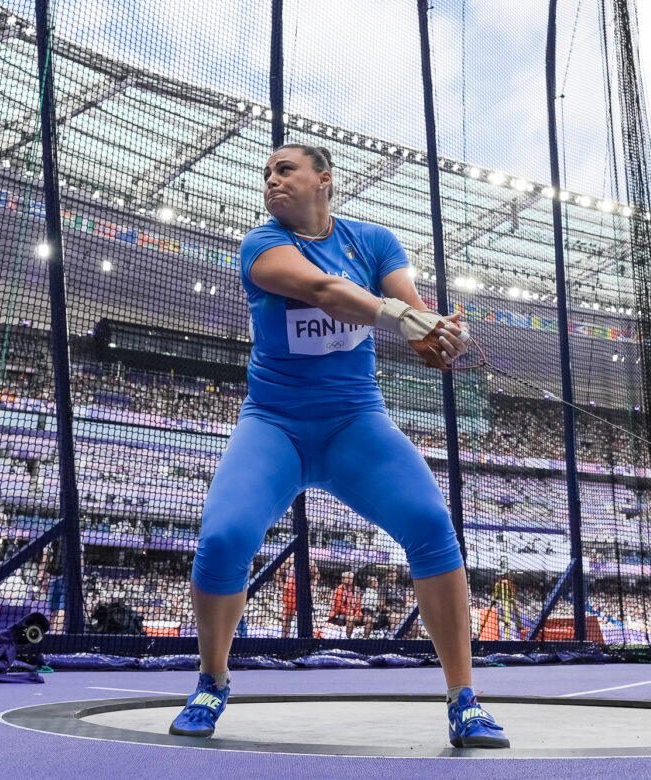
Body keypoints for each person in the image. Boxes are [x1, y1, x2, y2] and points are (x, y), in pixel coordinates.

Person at [169, 144, 508, 748]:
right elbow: (324, 290)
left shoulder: (374, 241)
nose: (271, 180)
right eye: (266, 172)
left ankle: (464, 700)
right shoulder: (261, 245)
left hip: (356, 424)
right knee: (222, 538)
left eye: (285, 170)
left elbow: (416, 314)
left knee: (432, 525)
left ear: (323, 179)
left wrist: (438, 337)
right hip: (274, 425)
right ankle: (211, 681)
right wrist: (400, 316)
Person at [326, 570, 361, 638]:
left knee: (368, 619)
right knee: (350, 618)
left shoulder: (356, 590)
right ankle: (348, 639)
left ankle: (365, 640)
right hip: (341, 614)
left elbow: (358, 605)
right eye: (348, 578)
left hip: (354, 614)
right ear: (343, 579)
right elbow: (338, 607)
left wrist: (357, 614)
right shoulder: (339, 590)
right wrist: (350, 613)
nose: (350, 580)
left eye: (351, 578)